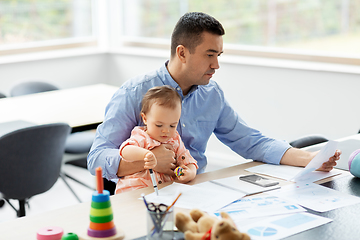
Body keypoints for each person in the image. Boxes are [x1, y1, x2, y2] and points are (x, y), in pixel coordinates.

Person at [87, 12, 340, 182]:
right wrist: (147, 162)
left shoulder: (212, 94)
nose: (216, 65)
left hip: (195, 191)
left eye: (219, 55)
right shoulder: (133, 93)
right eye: (210, 54)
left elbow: (251, 141)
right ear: (182, 53)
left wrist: (310, 159)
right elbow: (97, 158)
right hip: (145, 197)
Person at [115, 85, 198, 194]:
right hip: (136, 189)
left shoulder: (175, 139)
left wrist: (190, 172)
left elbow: (187, 159)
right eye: (159, 125)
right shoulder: (142, 136)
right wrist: (146, 155)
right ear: (145, 118)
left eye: (172, 126)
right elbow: (125, 151)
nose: (166, 131)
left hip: (163, 191)